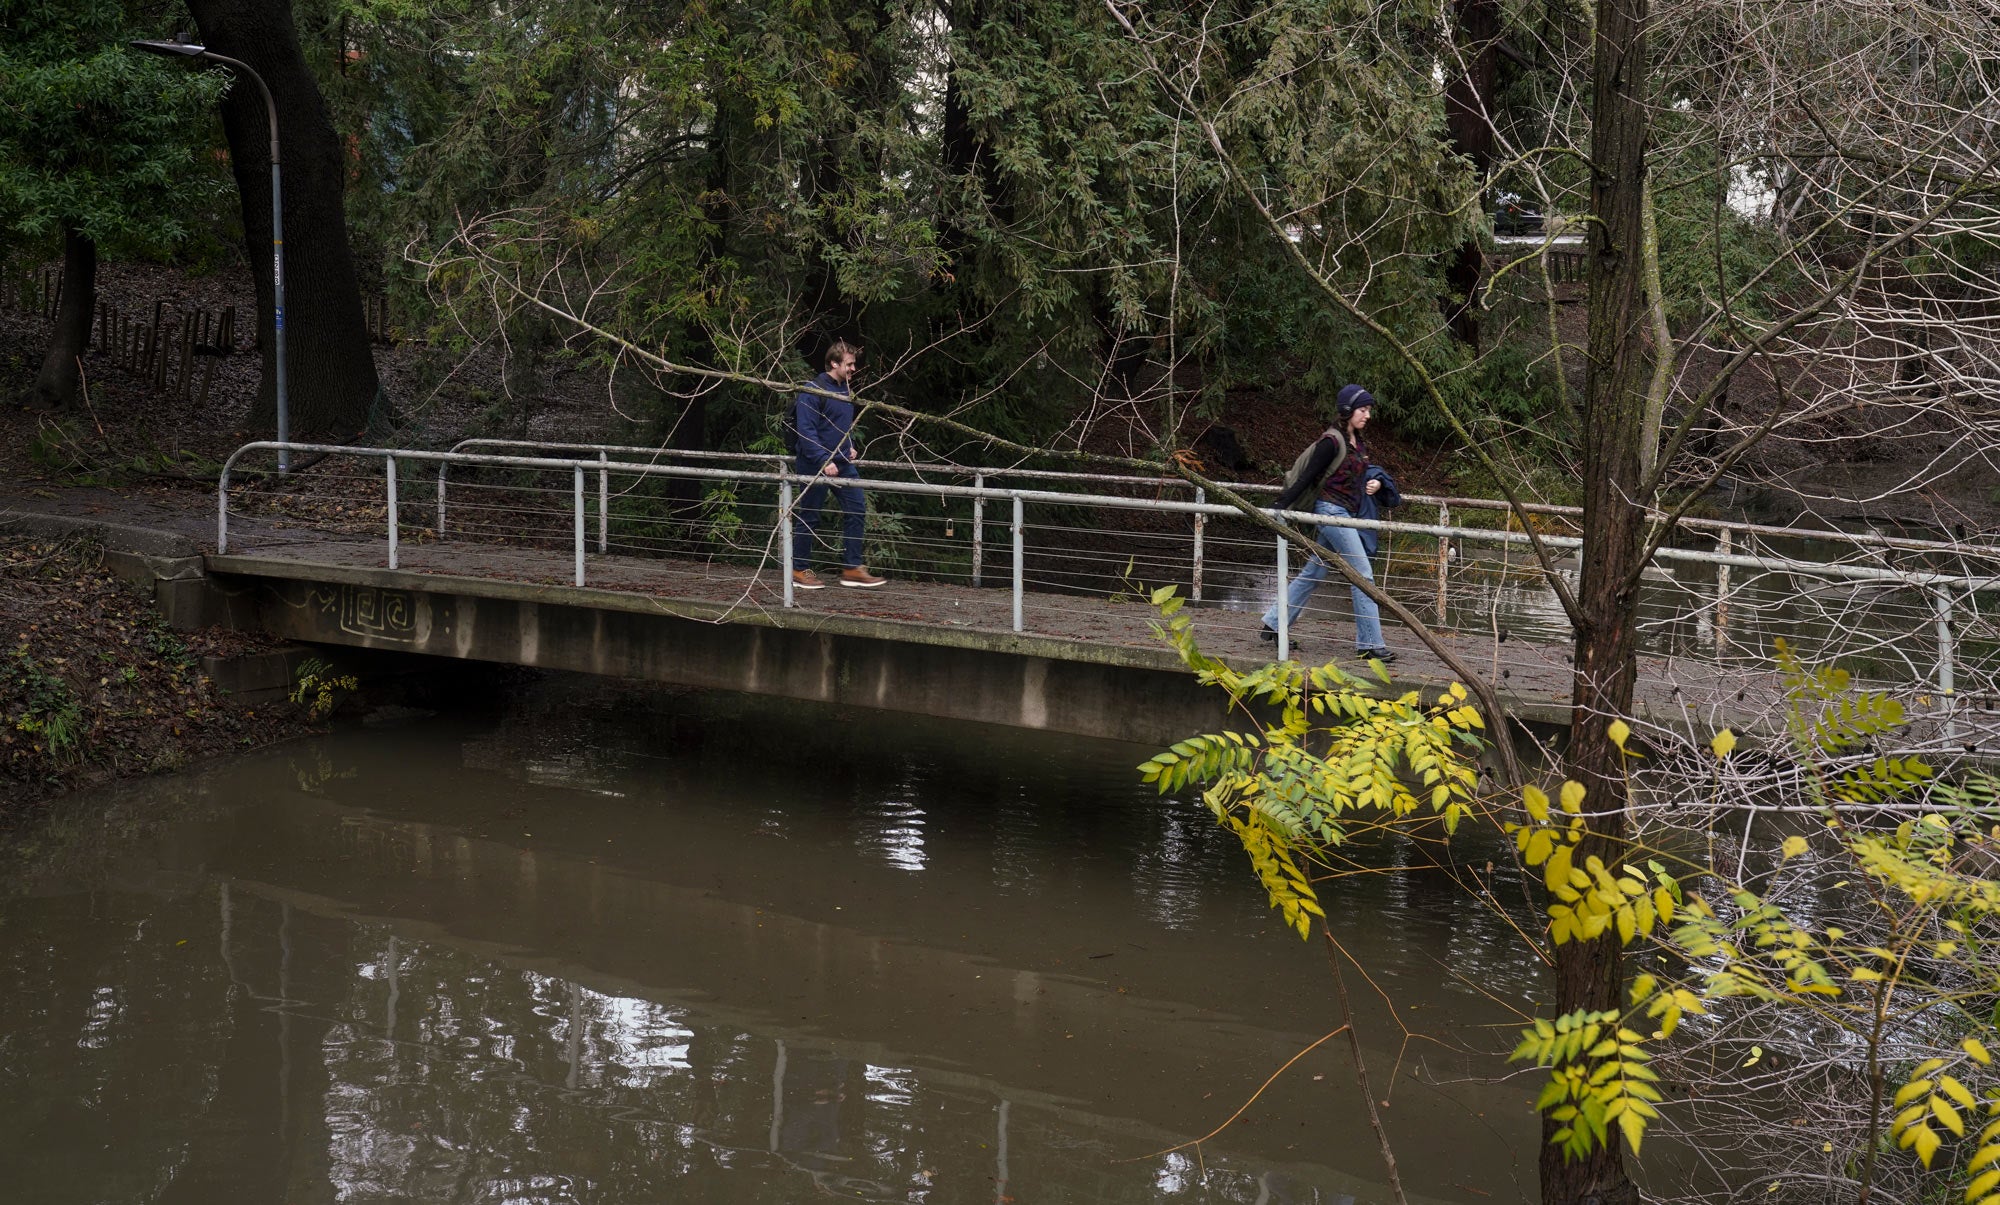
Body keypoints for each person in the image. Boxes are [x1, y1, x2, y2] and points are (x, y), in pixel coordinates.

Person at [1260, 384, 1401, 661]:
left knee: (1316, 572)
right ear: (1347, 410)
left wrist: (1375, 482)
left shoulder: (1358, 443)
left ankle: (1274, 622)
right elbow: (1307, 477)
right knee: (1362, 576)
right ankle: (1369, 645)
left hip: (1345, 513)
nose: (1367, 415)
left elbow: (1353, 478)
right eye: (1363, 410)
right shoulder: (1331, 441)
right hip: (1330, 513)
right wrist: (1279, 506)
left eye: (1369, 410)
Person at [789, 341, 887, 589]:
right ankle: (799, 571)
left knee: (856, 509)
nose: (854, 368)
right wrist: (824, 461)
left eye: (854, 363)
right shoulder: (812, 391)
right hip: (814, 464)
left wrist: (849, 445)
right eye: (849, 364)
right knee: (810, 516)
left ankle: (852, 568)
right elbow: (807, 432)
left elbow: (840, 425)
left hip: (842, 462)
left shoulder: (845, 389)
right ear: (834, 363)